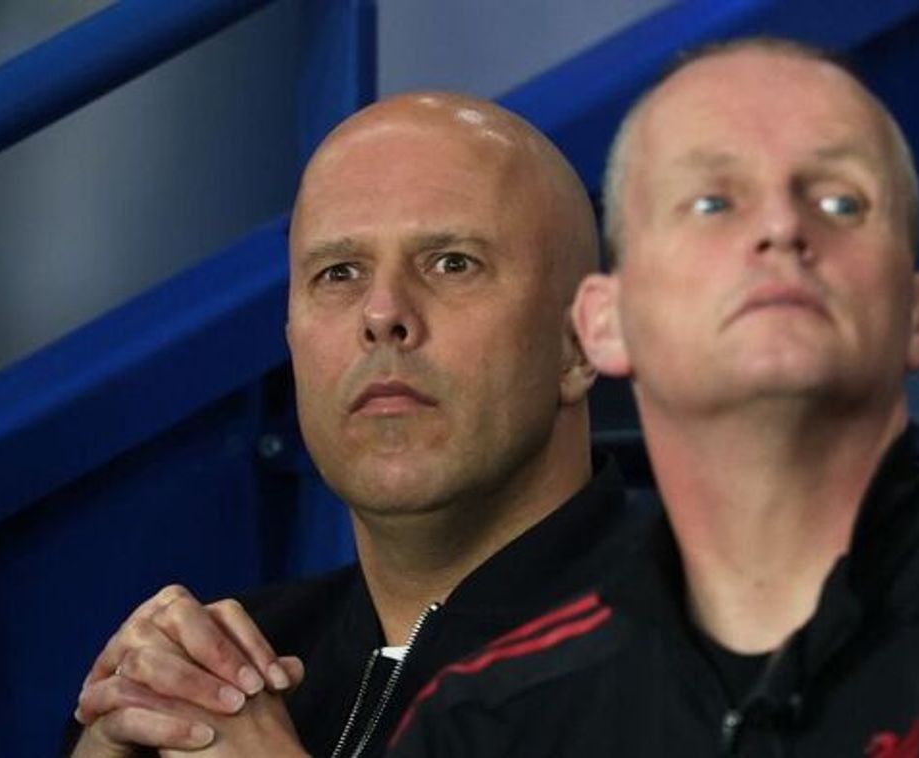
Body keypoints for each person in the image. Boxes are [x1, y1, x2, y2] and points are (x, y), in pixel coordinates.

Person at [388, 37, 919, 756]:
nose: (781, 228)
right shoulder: (483, 723)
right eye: (712, 203)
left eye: (839, 202)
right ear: (603, 325)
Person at [66, 92, 638, 757]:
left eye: (452, 263)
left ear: (579, 341)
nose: (382, 313)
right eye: (339, 273)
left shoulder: (712, 656)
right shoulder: (220, 678)